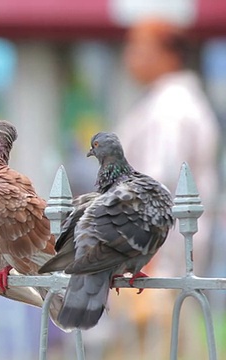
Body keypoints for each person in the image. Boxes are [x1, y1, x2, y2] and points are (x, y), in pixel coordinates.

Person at [106, 17, 221, 359]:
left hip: (155, 262)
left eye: (139, 48)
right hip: (165, 257)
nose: (130, 56)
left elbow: (156, 182)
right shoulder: (171, 102)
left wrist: (144, 252)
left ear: (168, 55)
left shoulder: (169, 109)